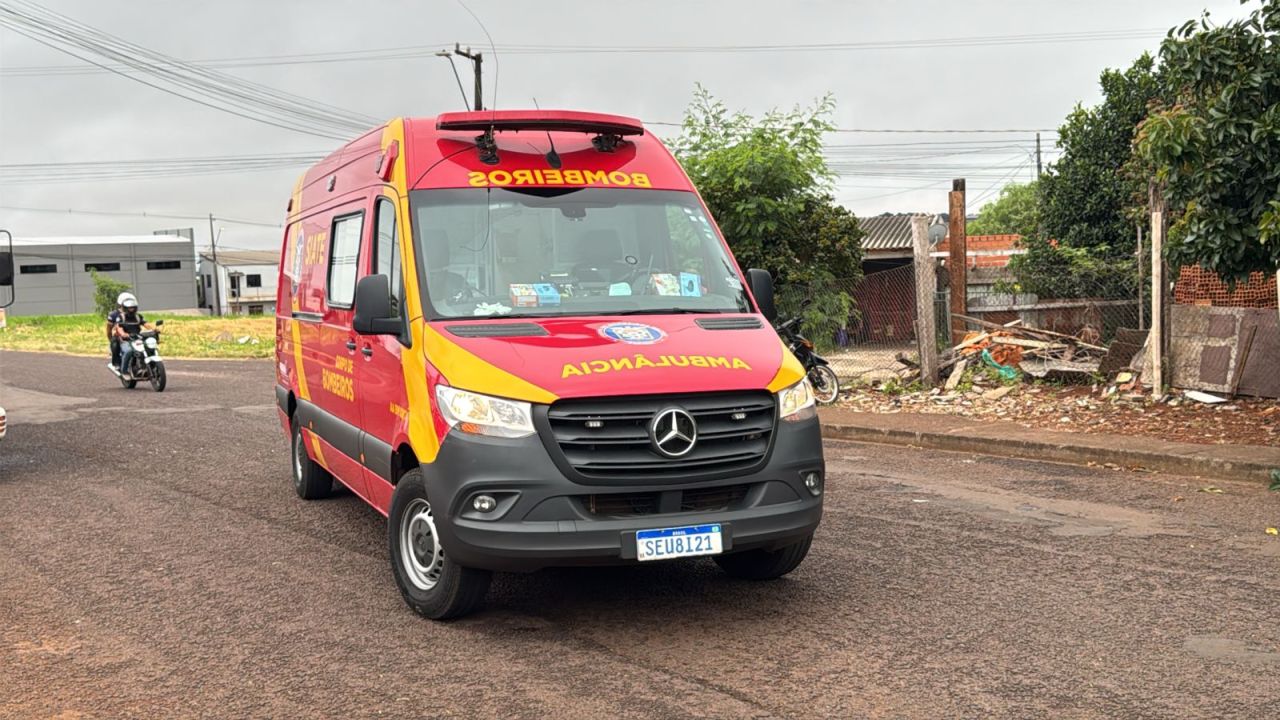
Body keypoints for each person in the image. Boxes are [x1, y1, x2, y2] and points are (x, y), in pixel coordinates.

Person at [111, 293, 154, 380]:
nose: (132, 309)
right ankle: (124, 371)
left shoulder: (138, 317)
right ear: (125, 308)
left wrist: (154, 329)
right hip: (126, 340)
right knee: (128, 351)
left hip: (138, 338)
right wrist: (123, 334)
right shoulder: (121, 317)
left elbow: (145, 324)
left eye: (133, 307)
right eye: (130, 308)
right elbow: (118, 327)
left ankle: (146, 367)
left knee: (149, 347)